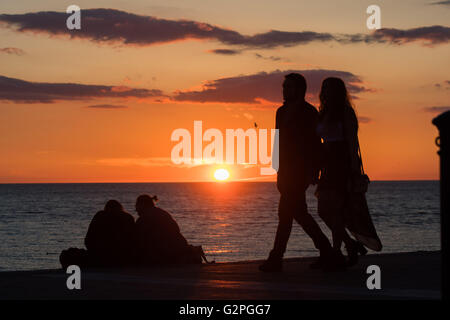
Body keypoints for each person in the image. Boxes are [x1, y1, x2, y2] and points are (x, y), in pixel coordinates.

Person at [259, 73, 344, 272]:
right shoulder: (280, 111)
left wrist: (313, 170)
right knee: (298, 213)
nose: (285, 90)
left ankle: (276, 258)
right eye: (284, 87)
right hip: (285, 171)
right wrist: (276, 167)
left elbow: (316, 144)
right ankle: (328, 253)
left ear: (299, 90)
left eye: (289, 87)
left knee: (286, 214)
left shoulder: (309, 113)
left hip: (300, 172)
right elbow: (277, 140)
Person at [316, 77, 381, 267]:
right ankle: (349, 245)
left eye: (329, 88)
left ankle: (337, 252)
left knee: (335, 210)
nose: (326, 91)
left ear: (337, 91)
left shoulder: (346, 113)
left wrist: (354, 171)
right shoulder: (323, 113)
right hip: (326, 165)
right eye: (324, 87)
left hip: (341, 164)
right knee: (324, 211)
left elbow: (353, 144)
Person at [134, 194, 200, 265]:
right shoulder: (162, 213)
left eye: (137, 205)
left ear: (142, 205)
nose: (136, 209)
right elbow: (176, 229)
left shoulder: (144, 219)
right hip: (178, 249)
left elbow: (138, 239)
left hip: (167, 254)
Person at [84, 199, 135, 267]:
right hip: (123, 257)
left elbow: (89, 239)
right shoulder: (128, 217)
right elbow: (133, 239)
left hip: (100, 256)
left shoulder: (100, 215)